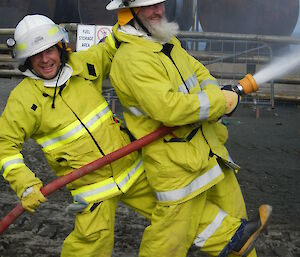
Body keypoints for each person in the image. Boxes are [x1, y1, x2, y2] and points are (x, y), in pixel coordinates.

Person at [106, 1, 272, 257]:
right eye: (149, 7)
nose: (158, 11)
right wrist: (219, 102)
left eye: (160, 3)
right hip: (177, 168)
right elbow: (168, 109)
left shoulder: (166, 42)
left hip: (209, 153)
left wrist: (216, 93)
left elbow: (199, 71)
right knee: (168, 244)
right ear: (129, 13)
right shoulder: (131, 60)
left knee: (241, 234)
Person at [0, 14, 157, 257]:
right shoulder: (23, 100)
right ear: (26, 60)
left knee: (174, 211)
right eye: (36, 54)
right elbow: (4, 146)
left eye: (49, 50)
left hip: (134, 170)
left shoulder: (82, 66)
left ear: (61, 48)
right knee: (88, 248)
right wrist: (25, 185)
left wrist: (135, 14)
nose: (45, 59)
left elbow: (111, 45)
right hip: (92, 190)